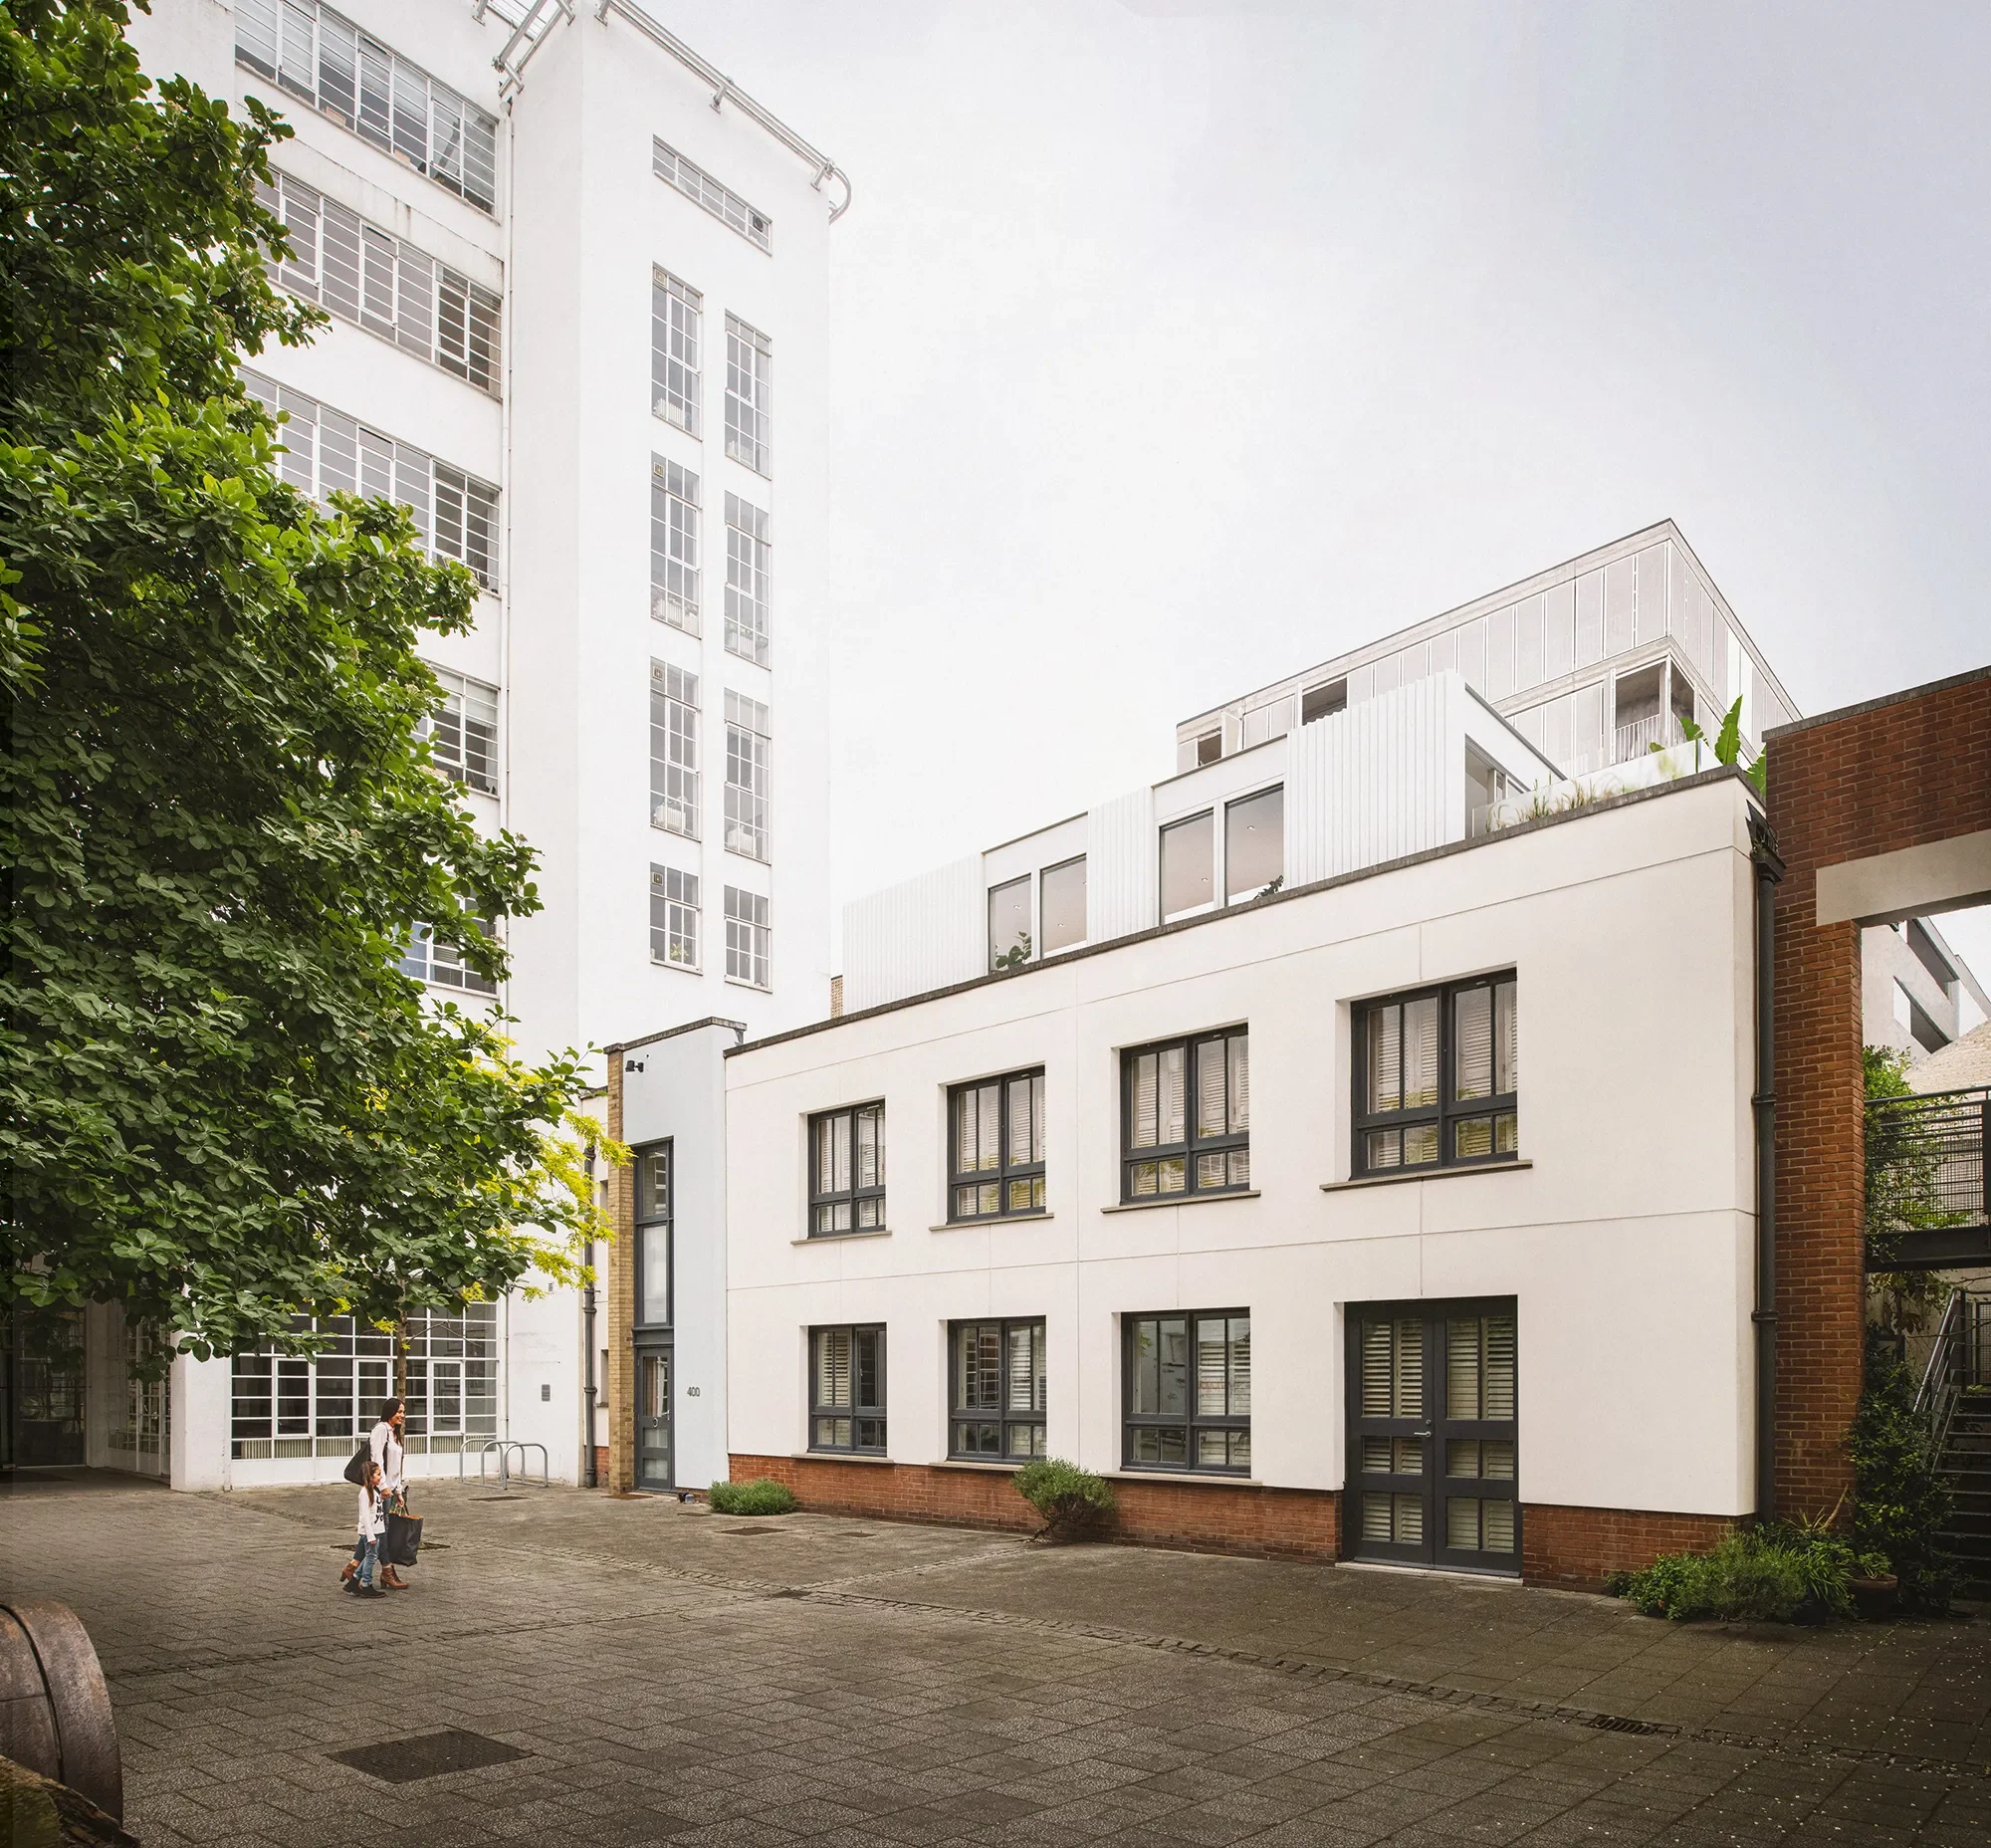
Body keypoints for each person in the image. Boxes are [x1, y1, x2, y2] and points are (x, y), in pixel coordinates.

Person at [346, 1461, 387, 1597]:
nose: (380, 1477)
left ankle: (354, 1580)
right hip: (371, 1532)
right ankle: (366, 1585)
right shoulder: (364, 1493)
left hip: (377, 1530)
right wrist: (370, 1535)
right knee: (371, 1558)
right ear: (370, 1476)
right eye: (378, 1474)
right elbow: (364, 1515)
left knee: (370, 1556)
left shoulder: (375, 1491)